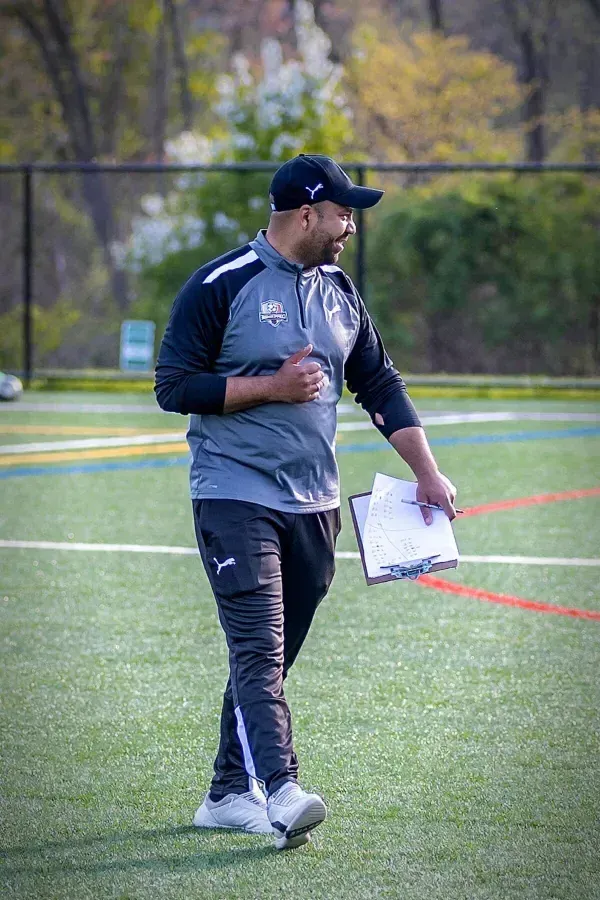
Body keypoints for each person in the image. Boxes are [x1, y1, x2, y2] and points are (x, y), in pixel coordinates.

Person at [155, 154, 457, 850]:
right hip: (233, 493)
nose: (351, 226)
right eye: (344, 213)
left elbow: (378, 385)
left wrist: (429, 474)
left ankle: (228, 792)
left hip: (313, 504)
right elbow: (174, 387)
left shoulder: (341, 292)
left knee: (272, 654)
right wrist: (270, 388)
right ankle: (282, 790)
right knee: (259, 648)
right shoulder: (220, 284)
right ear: (306, 214)